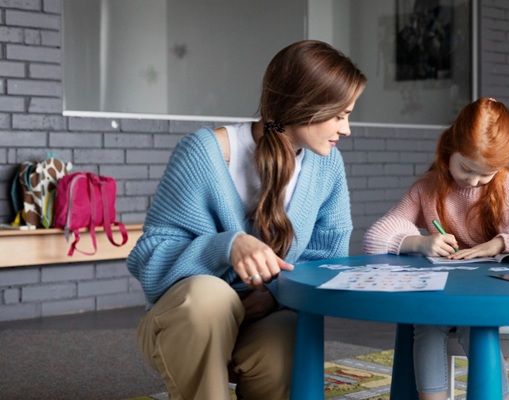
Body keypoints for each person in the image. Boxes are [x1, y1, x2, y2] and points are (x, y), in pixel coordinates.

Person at [127, 40, 366, 400]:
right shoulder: (204, 153)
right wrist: (227, 246)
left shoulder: (327, 165)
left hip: (259, 322)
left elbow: (327, 262)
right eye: (339, 115)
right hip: (184, 324)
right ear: (306, 105)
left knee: (288, 334)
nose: (346, 129)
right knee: (211, 298)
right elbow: (148, 259)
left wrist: (273, 295)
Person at [363, 97, 509, 399]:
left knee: (474, 324)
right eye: (466, 169)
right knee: (426, 323)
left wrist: (499, 242)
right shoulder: (427, 188)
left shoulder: (508, 185)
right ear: (450, 148)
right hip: (444, 297)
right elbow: (375, 238)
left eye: (486, 174)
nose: (475, 181)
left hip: (495, 298)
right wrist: (419, 242)